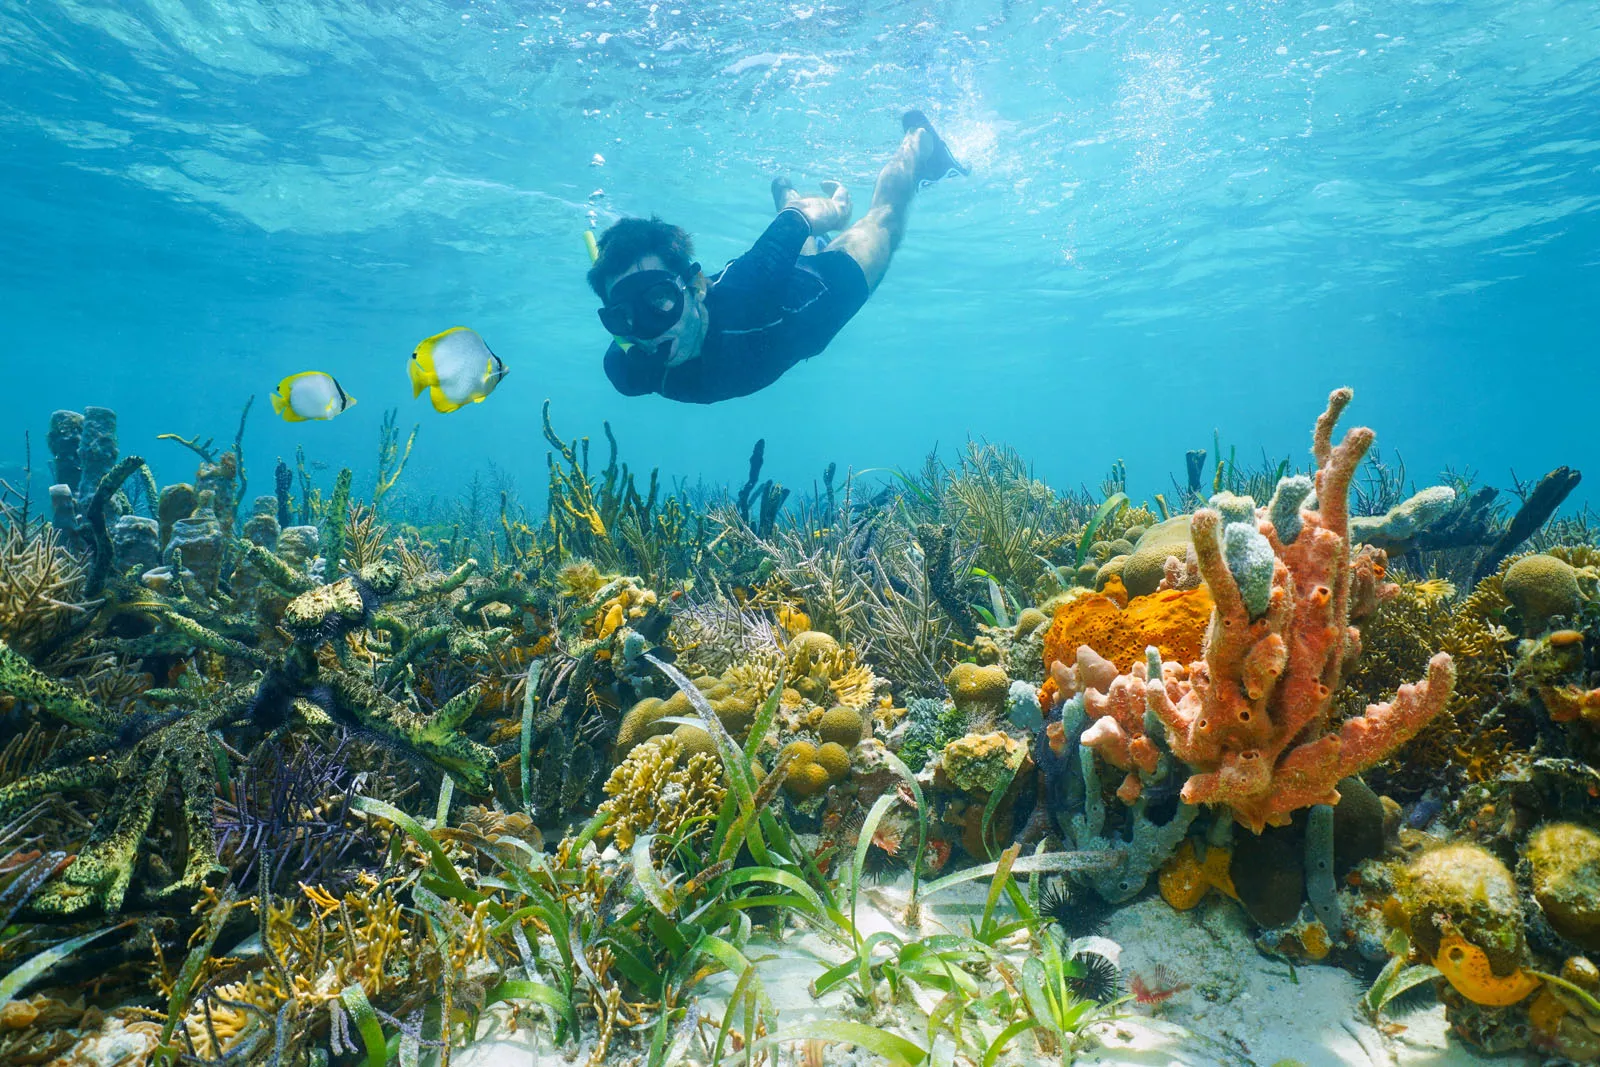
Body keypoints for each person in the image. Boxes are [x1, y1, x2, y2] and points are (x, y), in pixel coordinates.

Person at [588, 110, 967, 404]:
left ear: (695, 287)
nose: (644, 332)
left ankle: (920, 137)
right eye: (622, 317)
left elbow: (799, 219)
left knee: (887, 217)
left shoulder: (751, 283)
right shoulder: (626, 369)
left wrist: (837, 211)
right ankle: (783, 191)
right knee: (790, 254)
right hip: (778, 290)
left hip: (824, 294)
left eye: (659, 301)